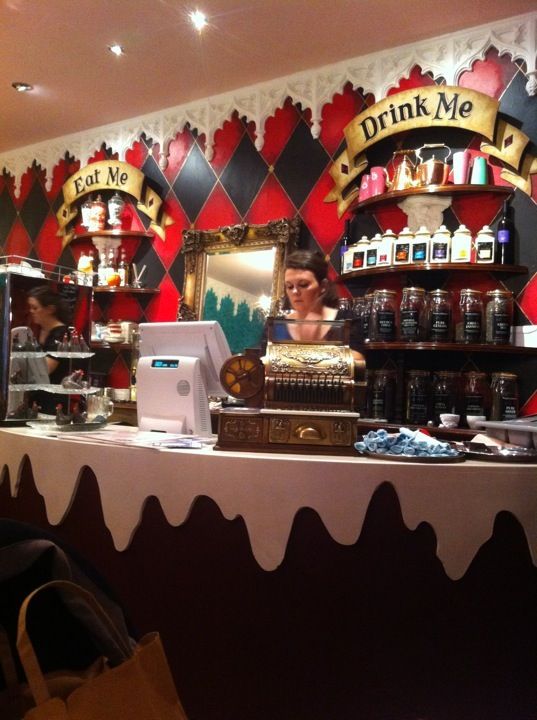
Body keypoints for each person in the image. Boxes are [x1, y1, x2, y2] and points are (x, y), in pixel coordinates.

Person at [261, 250, 365, 363]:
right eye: (289, 286)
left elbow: (358, 362)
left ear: (323, 286)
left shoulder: (346, 320)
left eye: (303, 284)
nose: (295, 291)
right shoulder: (275, 325)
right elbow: (263, 364)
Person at [27, 285, 72, 414]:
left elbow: (44, 370)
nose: (31, 311)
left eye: (35, 307)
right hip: (39, 399)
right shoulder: (39, 331)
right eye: (30, 307)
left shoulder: (62, 334)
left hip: (53, 403)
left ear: (50, 309)